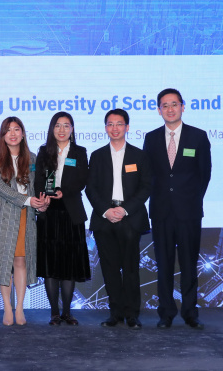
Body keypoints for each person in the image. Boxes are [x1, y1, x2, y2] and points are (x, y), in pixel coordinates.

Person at [143, 88, 211, 330]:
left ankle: (190, 313)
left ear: (183, 106)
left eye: (174, 104)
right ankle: (166, 314)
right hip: (161, 211)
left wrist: (190, 200)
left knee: (189, 264)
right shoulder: (151, 138)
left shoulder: (198, 137)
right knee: (164, 265)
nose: (170, 109)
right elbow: (147, 175)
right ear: (159, 110)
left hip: (189, 212)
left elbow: (204, 175)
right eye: (164, 105)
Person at [85, 109, 152, 329]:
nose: (115, 128)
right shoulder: (97, 155)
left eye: (119, 124)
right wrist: (107, 210)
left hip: (130, 218)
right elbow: (91, 188)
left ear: (127, 127)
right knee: (110, 269)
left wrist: (124, 210)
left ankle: (132, 314)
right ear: (105, 128)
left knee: (131, 268)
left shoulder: (139, 155)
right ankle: (115, 313)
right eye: (110, 124)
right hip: (104, 218)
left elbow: (145, 188)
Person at [0, 117, 48, 326]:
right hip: (2, 214)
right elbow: (1, 188)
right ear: (2, 135)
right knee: (5, 263)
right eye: (7, 130)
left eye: (16, 129)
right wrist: (29, 200)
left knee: (21, 261)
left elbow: (38, 186)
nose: (12, 133)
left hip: (25, 215)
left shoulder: (33, 157)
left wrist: (42, 202)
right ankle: (7, 308)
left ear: (22, 133)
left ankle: (20, 307)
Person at [35, 112, 90, 326]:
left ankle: (68, 312)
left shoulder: (80, 152)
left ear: (72, 129)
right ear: (52, 129)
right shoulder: (43, 151)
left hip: (71, 212)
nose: (62, 130)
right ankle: (54, 313)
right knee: (51, 265)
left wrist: (62, 191)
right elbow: (38, 179)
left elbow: (82, 179)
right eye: (58, 125)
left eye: (66, 125)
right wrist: (43, 198)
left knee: (69, 265)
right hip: (49, 212)